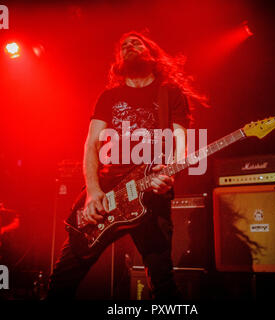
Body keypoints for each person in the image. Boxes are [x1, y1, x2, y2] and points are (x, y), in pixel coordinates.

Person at [47, 31, 206, 300]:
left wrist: (171, 173)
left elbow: (181, 140)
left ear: (152, 53)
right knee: (62, 281)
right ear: (118, 60)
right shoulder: (109, 97)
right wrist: (93, 192)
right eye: (123, 46)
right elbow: (91, 146)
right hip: (108, 194)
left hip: (152, 195)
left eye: (136, 42)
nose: (129, 46)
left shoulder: (171, 94)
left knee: (163, 284)